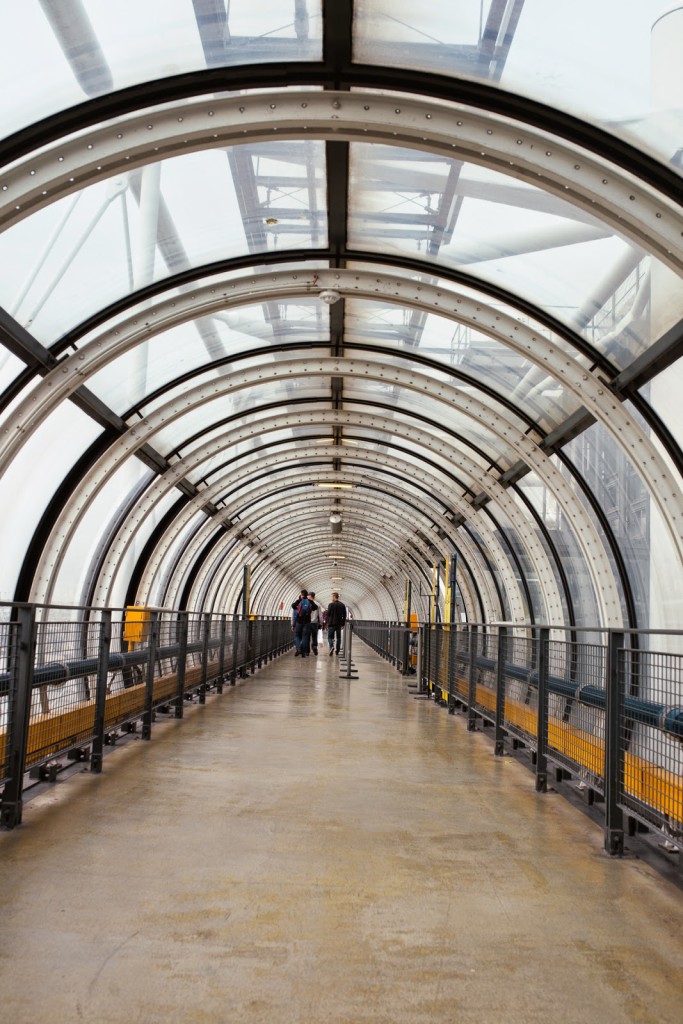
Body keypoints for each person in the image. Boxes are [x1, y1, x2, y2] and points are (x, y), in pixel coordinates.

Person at [291, 588, 307, 657]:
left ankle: (299, 648)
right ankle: (302, 651)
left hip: (299, 622)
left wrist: (293, 625)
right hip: (306, 622)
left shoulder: (297, 606)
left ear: (301, 595)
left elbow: (293, 606)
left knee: (297, 636)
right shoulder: (309, 601)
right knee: (304, 637)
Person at [307, 591, 324, 656]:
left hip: (307, 623)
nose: (307, 596)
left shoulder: (306, 603)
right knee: (314, 636)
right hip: (315, 623)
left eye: (308, 595)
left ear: (310, 596)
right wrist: (321, 623)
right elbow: (320, 615)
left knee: (307, 637)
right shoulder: (318, 604)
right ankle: (314, 647)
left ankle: (307, 651)